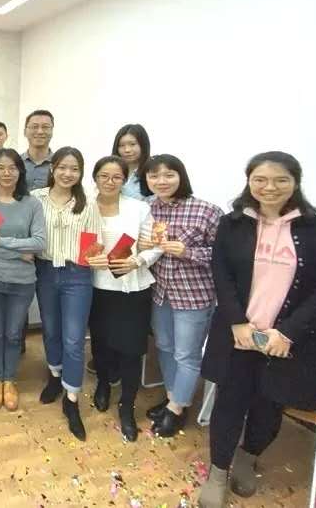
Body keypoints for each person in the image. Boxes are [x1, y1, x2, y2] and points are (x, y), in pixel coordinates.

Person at [198, 152, 316, 508]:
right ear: (249, 181)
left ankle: (248, 456)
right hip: (239, 335)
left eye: (280, 180)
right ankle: (218, 470)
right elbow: (222, 276)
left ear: (295, 182)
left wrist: (287, 332)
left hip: (285, 341)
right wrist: (237, 323)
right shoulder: (232, 224)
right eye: (260, 179)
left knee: (269, 405)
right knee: (229, 403)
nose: (269, 187)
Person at [140, 154, 223, 438]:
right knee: (164, 346)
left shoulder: (206, 211)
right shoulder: (147, 208)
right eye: (154, 176)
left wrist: (188, 252)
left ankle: (176, 409)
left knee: (186, 353)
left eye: (168, 174)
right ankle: (173, 397)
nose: (161, 181)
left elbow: (223, 255)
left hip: (194, 295)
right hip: (159, 292)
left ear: (181, 176)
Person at [88, 156, 163, 442]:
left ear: (124, 180)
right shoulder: (84, 206)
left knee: (131, 349)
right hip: (96, 286)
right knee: (101, 343)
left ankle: (127, 406)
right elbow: (78, 243)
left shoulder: (139, 208)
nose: (110, 182)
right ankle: (103, 384)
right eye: (104, 176)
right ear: (95, 178)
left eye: (116, 177)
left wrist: (138, 261)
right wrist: (87, 258)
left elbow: (155, 245)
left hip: (133, 287)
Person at [32, 147, 101, 441]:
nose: (67, 173)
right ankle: (55, 376)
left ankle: (71, 399)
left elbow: (91, 246)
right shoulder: (36, 198)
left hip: (77, 275)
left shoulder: (88, 204)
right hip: (45, 271)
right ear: (52, 168)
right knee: (51, 330)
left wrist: (97, 256)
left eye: (74, 169)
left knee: (74, 338)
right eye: (62, 167)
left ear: (80, 173)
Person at [0, 149, 46, 411]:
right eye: (1, 167)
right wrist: (20, 252)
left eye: (12, 168)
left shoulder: (31, 204)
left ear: (20, 172)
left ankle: (10, 379)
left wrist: (0, 241)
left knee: (14, 334)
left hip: (22, 282)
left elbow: (39, 243)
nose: (6, 173)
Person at [112, 124, 152, 200]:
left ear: (143, 145)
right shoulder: (110, 171)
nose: (127, 150)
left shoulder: (152, 171)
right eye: (122, 145)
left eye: (132, 144)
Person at [22, 110, 54, 192]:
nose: (40, 131)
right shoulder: (15, 162)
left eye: (45, 127)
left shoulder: (59, 164)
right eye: (34, 127)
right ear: (25, 132)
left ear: (52, 131)